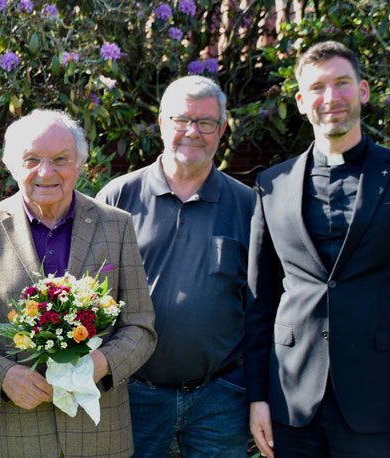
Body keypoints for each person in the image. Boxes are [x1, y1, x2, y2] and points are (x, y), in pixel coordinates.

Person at [246, 40, 390, 458]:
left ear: (363, 90)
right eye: (317, 87)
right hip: (291, 406)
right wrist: (256, 397)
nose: (330, 97)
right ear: (300, 101)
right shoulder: (269, 185)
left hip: (384, 403)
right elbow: (260, 303)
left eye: (342, 83)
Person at [0, 109, 157, 458]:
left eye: (60, 159)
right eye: (32, 160)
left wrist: (100, 365)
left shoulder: (116, 226)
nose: (46, 172)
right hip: (13, 434)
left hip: (98, 435)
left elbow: (140, 326)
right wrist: (2, 376)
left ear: (79, 164)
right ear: (13, 166)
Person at [97, 75, 254, 457]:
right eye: (182, 120)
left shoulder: (247, 205)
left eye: (205, 122)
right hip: (133, 391)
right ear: (163, 123)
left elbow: (261, 305)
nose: (193, 132)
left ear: (222, 129)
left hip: (219, 397)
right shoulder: (118, 197)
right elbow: (92, 295)